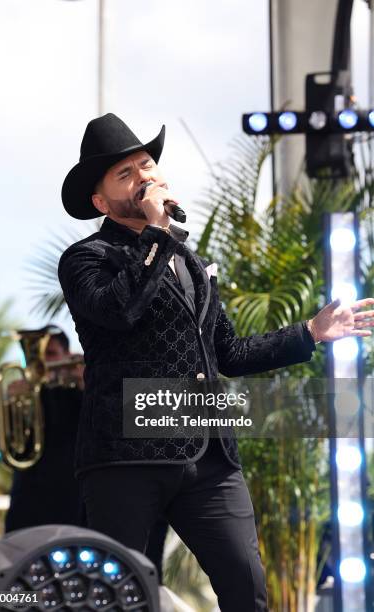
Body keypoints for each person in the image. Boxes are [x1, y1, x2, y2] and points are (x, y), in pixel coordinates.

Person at [58, 113, 374, 611]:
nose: (143, 176)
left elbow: (227, 352)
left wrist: (309, 333)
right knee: (119, 598)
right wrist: (158, 232)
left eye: (146, 165)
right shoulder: (87, 258)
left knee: (247, 587)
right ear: (100, 201)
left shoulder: (189, 260)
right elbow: (120, 310)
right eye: (126, 174)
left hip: (210, 456)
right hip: (126, 456)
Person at [0, 326, 85, 532]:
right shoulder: (21, 399)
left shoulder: (79, 395)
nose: (43, 362)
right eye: (36, 355)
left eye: (50, 354)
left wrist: (84, 385)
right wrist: (11, 405)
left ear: (67, 356)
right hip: (26, 507)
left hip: (71, 505)